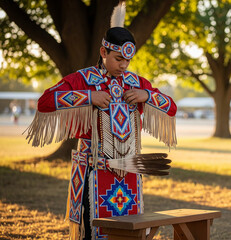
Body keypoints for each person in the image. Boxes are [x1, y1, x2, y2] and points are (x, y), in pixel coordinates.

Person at [24, 3, 177, 239]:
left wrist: (147, 95)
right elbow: (45, 102)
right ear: (103, 52)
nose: (124, 66)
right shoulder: (83, 79)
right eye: (118, 59)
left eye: (128, 61)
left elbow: (171, 107)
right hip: (91, 170)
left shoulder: (136, 83)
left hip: (128, 172)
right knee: (94, 230)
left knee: (127, 229)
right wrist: (88, 97)